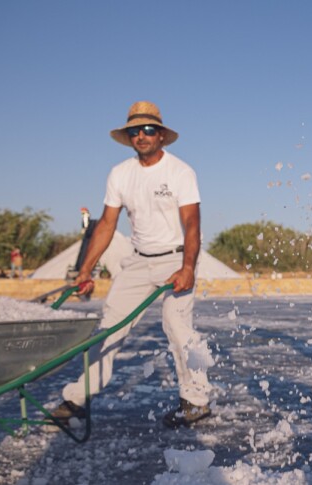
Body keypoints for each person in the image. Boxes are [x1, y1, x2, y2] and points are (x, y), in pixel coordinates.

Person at [50, 101, 213, 429]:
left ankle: (195, 402)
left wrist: (187, 268)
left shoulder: (181, 172)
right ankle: (77, 398)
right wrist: (86, 269)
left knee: (177, 327)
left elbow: (192, 224)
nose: (141, 135)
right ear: (128, 137)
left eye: (149, 129)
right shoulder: (120, 174)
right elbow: (107, 225)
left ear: (162, 135)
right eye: (135, 130)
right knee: (109, 328)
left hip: (175, 258)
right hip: (137, 262)